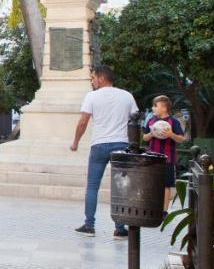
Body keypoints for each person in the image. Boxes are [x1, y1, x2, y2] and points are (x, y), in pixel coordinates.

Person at [70, 64, 138, 237]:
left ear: (101, 78)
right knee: (120, 187)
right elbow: (135, 120)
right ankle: (120, 228)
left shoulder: (92, 96)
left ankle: (89, 225)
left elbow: (83, 121)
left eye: (93, 78)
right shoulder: (127, 96)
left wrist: (75, 142)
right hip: (121, 144)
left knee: (93, 186)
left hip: (99, 144)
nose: (92, 81)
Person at [142, 95, 186, 211]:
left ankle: (164, 210)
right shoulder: (151, 121)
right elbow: (145, 138)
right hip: (152, 158)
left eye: (155, 106)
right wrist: (151, 134)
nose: (153, 108)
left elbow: (181, 138)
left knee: (166, 185)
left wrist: (171, 135)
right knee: (152, 183)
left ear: (164, 108)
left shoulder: (173, 122)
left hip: (168, 159)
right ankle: (152, 206)